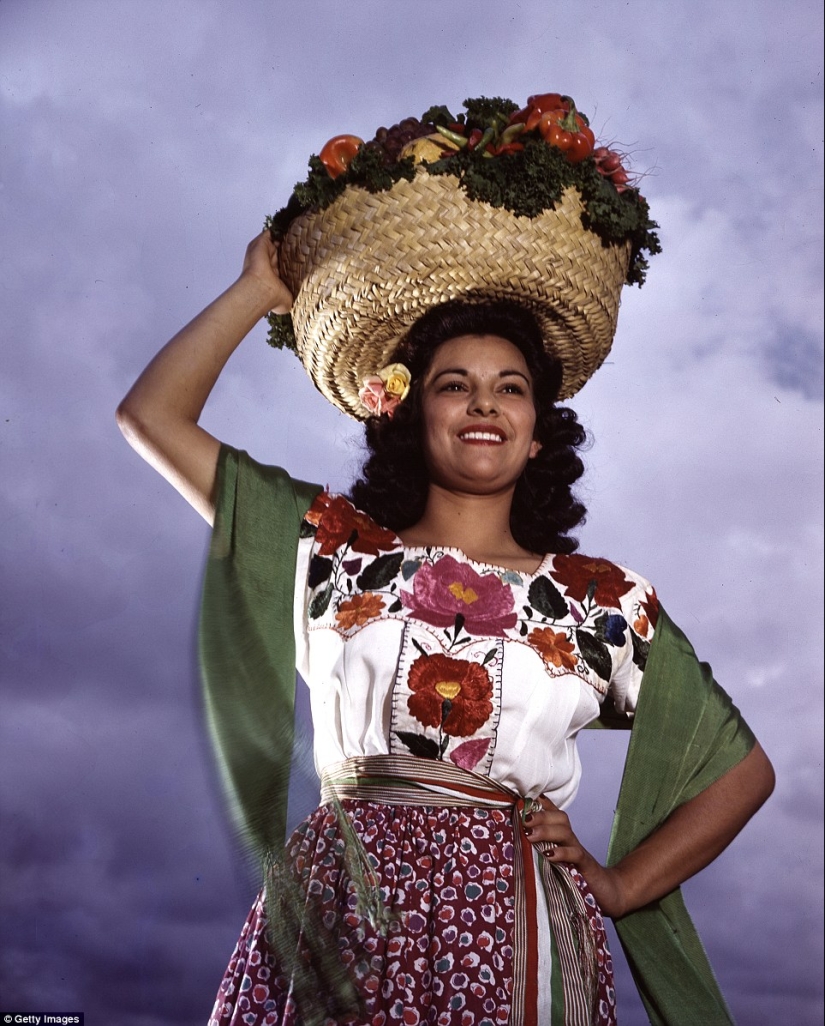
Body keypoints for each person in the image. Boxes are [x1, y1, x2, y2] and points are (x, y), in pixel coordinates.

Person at [117, 231, 775, 1026]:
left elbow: (740, 772)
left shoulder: (598, 600)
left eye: (511, 388)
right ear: (411, 415)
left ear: (536, 433)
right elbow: (151, 415)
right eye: (453, 385)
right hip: (344, 908)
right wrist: (255, 288)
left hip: (517, 927)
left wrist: (624, 885)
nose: (484, 403)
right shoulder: (331, 550)